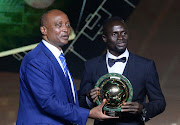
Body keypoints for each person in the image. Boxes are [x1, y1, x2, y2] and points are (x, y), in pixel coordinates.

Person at [16, 9, 115, 125]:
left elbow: (64, 98)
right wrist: (88, 113)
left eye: (68, 25)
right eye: (59, 25)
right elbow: (48, 102)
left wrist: (88, 98)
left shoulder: (57, 57)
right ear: (44, 30)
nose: (65, 29)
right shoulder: (36, 60)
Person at [78, 16, 166, 125]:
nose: (121, 37)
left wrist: (142, 108)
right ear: (104, 38)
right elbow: (81, 103)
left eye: (124, 33)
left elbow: (160, 102)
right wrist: (89, 99)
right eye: (115, 34)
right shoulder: (91, 66)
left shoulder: (146, 66)